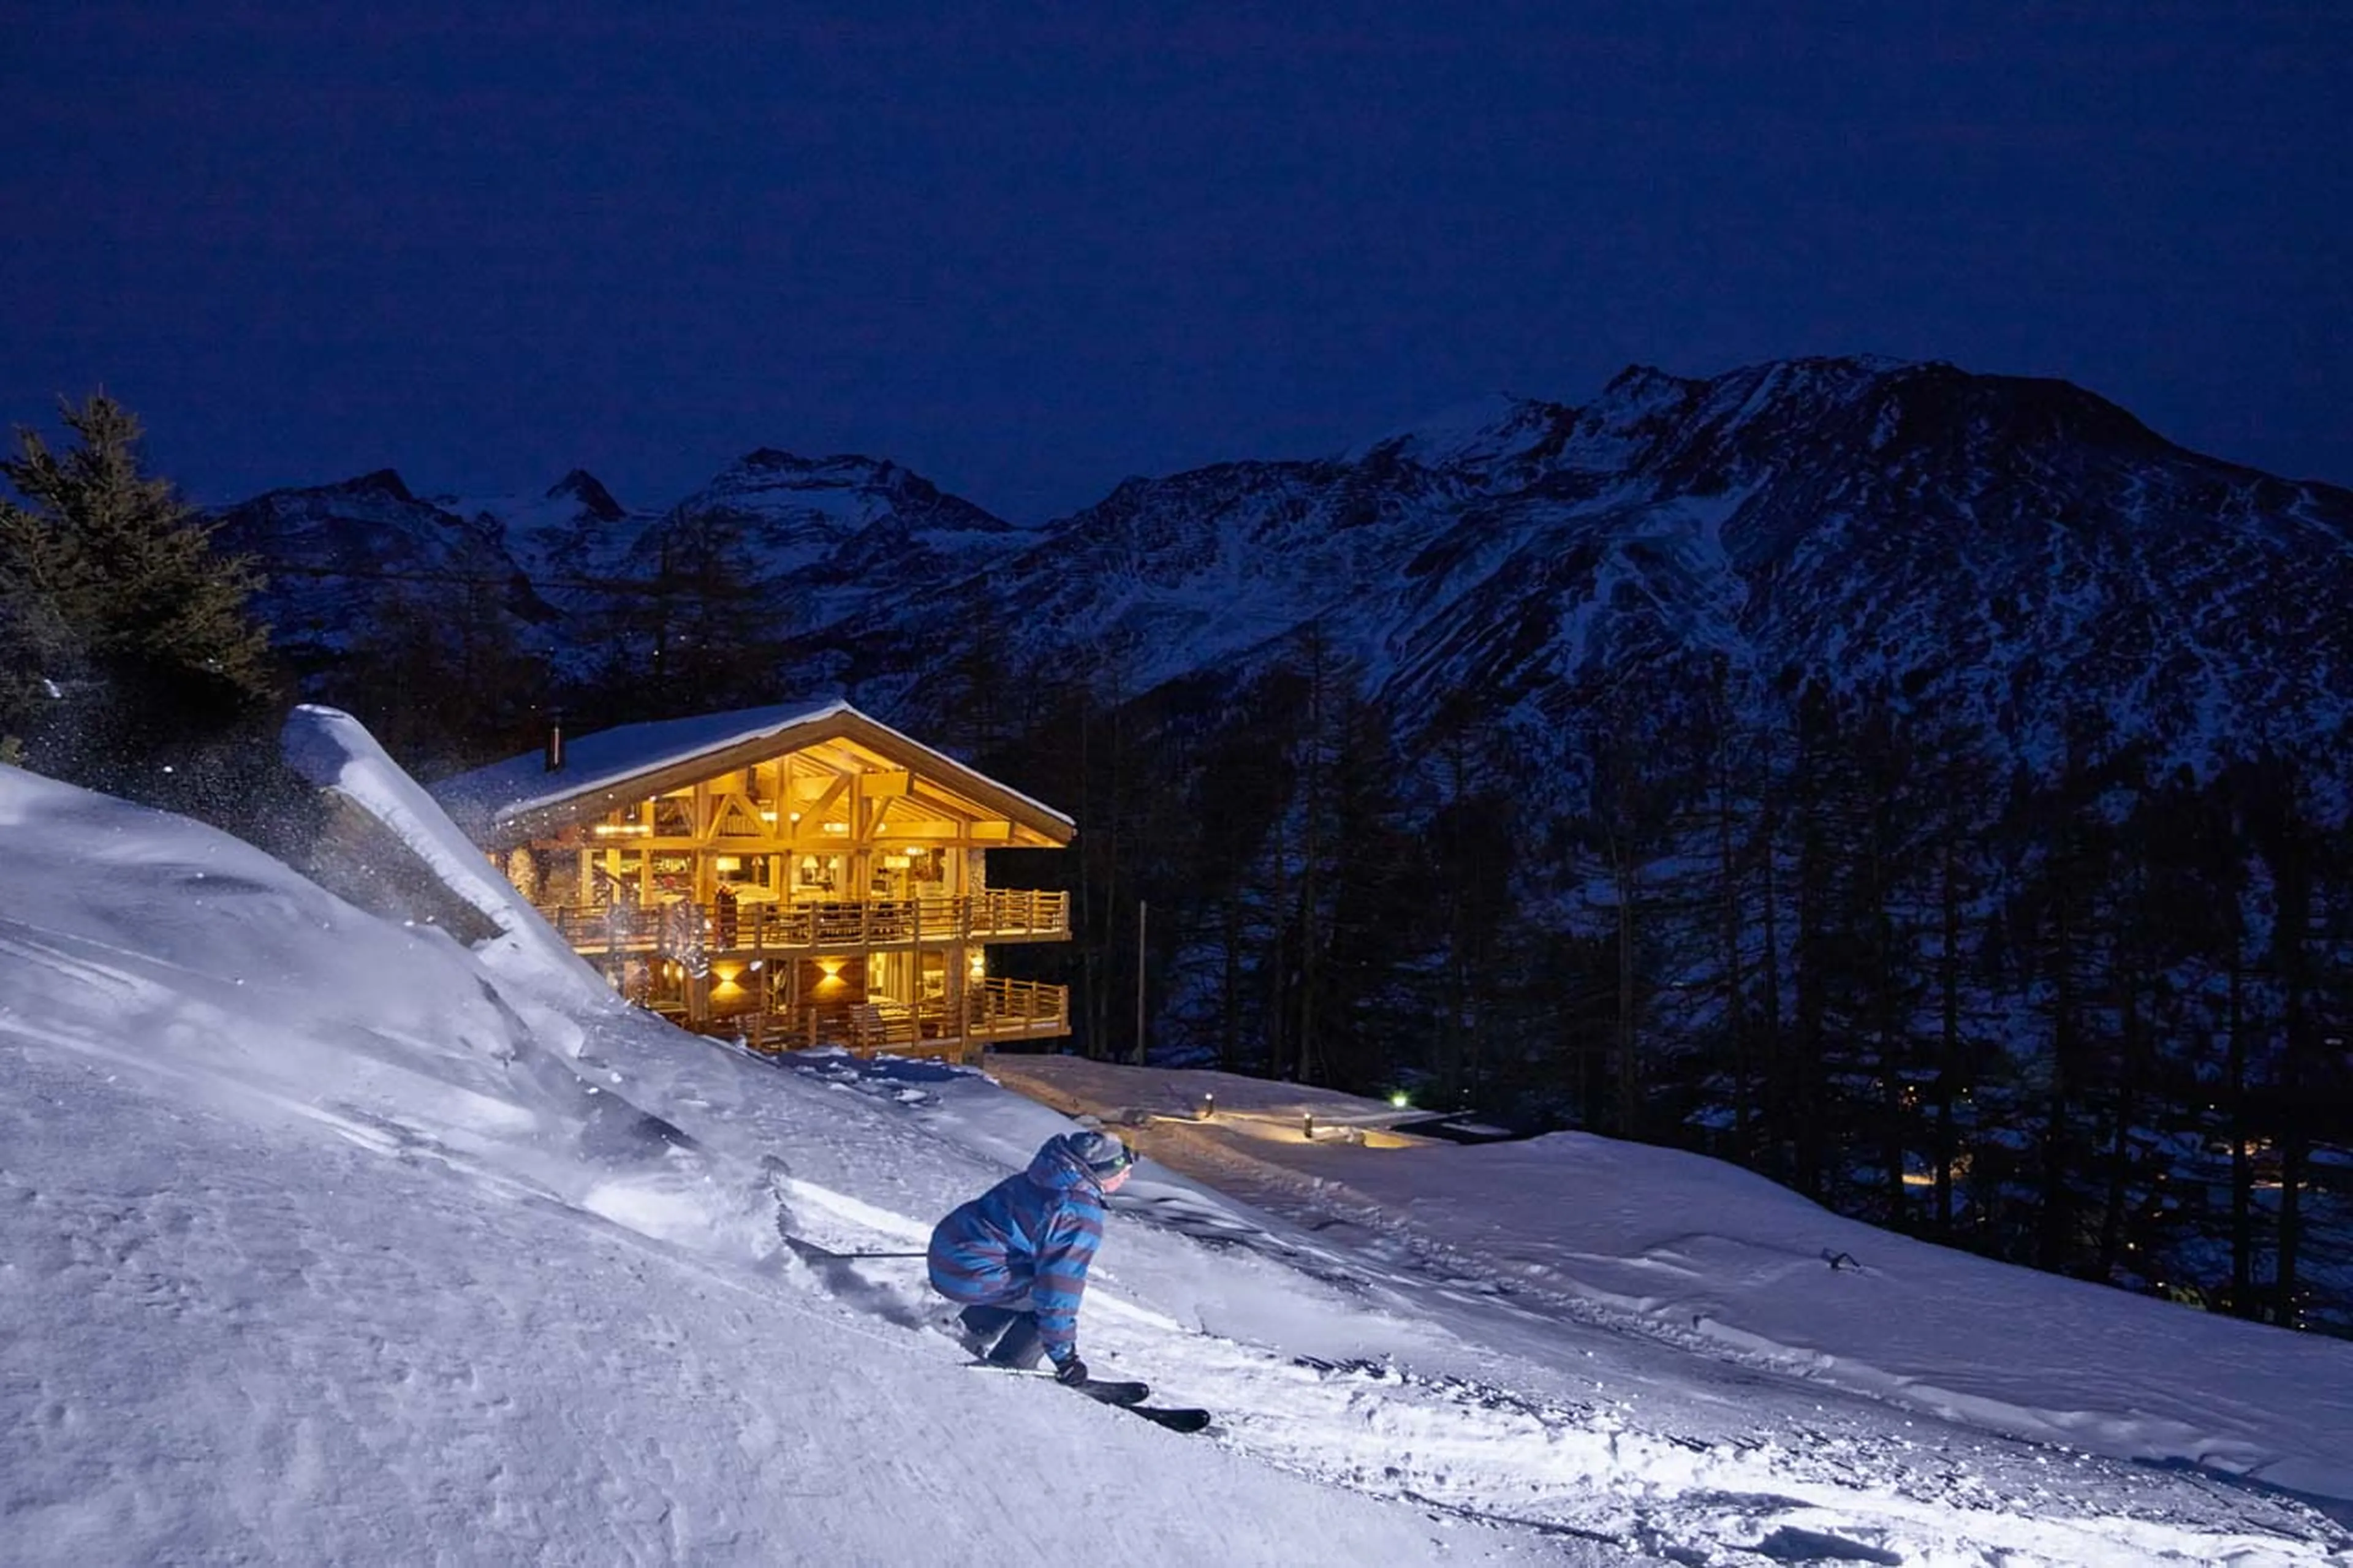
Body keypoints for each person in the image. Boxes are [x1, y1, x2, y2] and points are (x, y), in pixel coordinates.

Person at [926, 1129, 1135, 1384]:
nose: (1128, 1174)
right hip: (968, 1275)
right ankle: (1012, 1362)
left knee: (1029, 1277)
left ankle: (972, 1329)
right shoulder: (1078, 1211)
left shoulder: (1046, 1177)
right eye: (1123, 1168)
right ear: (1103, 1172)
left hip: (947, 1252)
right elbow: (1059, 1289)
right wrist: (1065, 1359)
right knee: (1043, 1298)